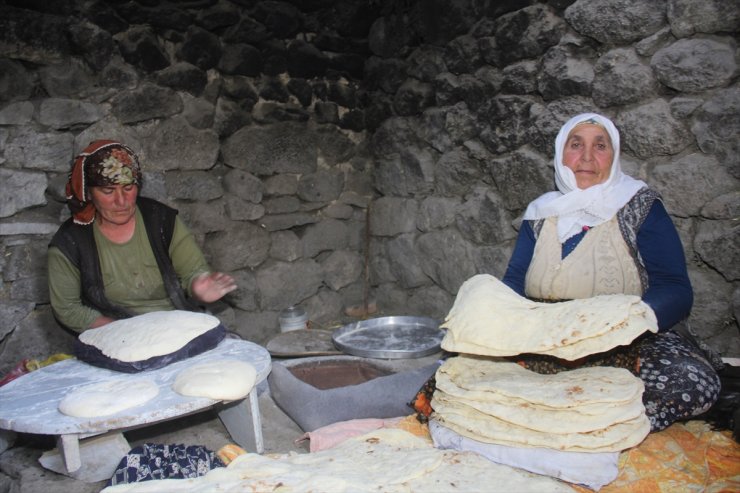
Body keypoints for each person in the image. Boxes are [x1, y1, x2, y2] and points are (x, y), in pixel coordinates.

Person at [502, 113, 723, 432]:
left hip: (626, 341)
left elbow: (675, 288)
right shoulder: (540, 214)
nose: (587, 157)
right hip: (546, 339)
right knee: (461, 371)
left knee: (691, 381)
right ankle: (576, 413)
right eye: (576, 145)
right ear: (561, 154)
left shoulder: (639, 206)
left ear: (614, 155)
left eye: (600, 146)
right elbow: (514, 283)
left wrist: (627, 322)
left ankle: (587, 421)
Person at [48, 139, 237, 333]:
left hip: (173, 324)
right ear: (89, 193)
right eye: (108, 191)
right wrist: (127, 332)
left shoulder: (161, 221)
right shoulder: (70, 242)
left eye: (128, 188)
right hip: (112, 333)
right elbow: (67, 309)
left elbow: (192, 271)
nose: (121, 201)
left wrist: (199, 285)